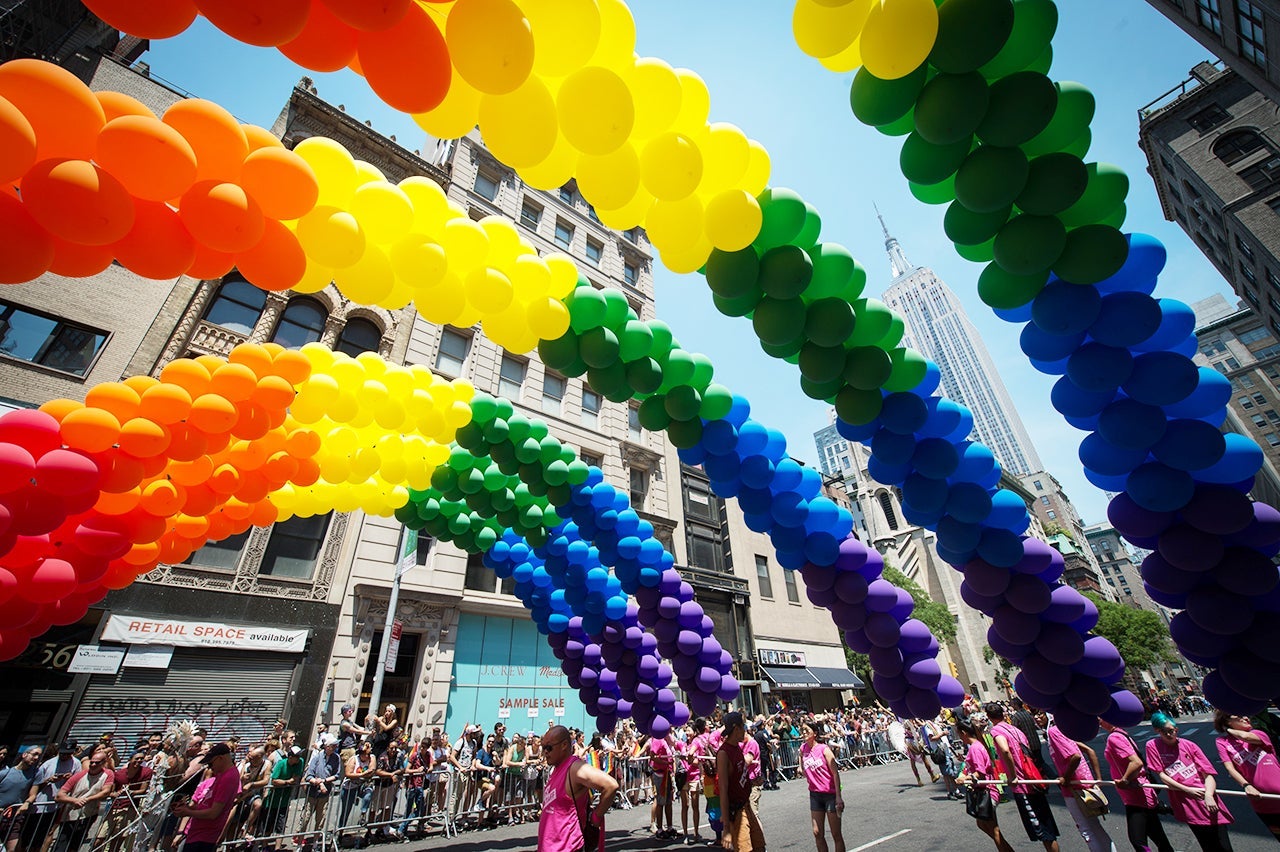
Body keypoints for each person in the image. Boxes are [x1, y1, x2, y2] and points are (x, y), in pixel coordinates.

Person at [1145, 711, 1233, 852]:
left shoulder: (1189, 745)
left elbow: (1208, 774)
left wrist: (1209, 795)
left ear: (1176, 729)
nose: (1169, 735)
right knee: (1207, 845)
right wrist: (1186, 789)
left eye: (1171, 731)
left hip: (1206, 798)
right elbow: (1162, 775)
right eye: (1164, 732)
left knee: (1224, 846)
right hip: (1186, 802)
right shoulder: (1152, 746)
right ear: (1157, 731)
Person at [987, 703, 1060, 852]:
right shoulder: (1014, 729)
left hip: (1023, 784)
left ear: (989, 717)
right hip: (1033, 778)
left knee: (1043, 831)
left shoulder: (996, 731)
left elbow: (1005, 750)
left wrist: (1013, 775)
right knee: (1046, 827)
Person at [1098, 717, 1175, 852]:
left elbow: (1136, 762)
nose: (1098, 720)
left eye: (1101, 717)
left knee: (1137, 840)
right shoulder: (1121, 733)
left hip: (1136, 795)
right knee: (1158, 837)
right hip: (1140, 793)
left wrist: (1125, 780)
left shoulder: (1114, 737)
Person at [537, 725, 618, 852]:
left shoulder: (574, 768)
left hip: (567, 847)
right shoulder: (557, 768)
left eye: (549, 747)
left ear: (564, 745)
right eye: (543, 748)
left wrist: (596, 818)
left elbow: (611, 785)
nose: (545, 752)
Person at [1045, 720, 1114, 852]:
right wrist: (1096, 779)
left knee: (1087, 830)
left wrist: (1066, 777)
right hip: (1085, 784)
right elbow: (1089, 751)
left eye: (1039, 713)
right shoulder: (1064, 730)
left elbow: (1075, 756)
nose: (1036, 718)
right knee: (1095, 827)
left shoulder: (1054, 731)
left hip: (1074, 789)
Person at [1214, 710, 1280, 842]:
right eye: (1239, 716)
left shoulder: (1257, 733)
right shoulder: (1222, 742)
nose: (1246, 718)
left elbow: (1246, 738)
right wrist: (1246, 785)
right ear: (1228, 721)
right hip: (1263, 803)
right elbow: (1230, 768)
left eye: (1246, 715)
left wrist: (1229, 729)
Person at [956, 720, 1015, 852]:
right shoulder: (976, 746)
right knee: (983, 824)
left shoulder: (975, 747)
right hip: (984, 791)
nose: (959, 737)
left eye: (959, 734)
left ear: (964, 733)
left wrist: (964, 778)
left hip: (987, 791)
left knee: (994, 830)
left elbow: (980, 773)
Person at [172, 743, 239, 852]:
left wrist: (188, 812)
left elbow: (214, 813)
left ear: (220, 758)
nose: (210, 768)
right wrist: (188, 808)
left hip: (205, 835)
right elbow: (207, 803)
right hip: (197, 832)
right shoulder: (221, 775)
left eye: (211, 764)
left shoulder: (229, 777)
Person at [717, 712, 764, 852]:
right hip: (736, 811)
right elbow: (723, 790)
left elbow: (740, 777)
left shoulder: (737, 747)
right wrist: (726, 828)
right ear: (736, 728)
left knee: (760, 846)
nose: (745, 730)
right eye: (743, 727)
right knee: (745, 849)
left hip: (746, 805)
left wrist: (754, 782)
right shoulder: (724, 754)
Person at [52, 749, 113, 852]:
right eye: (91, 762)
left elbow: (106, 791)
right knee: (61, 845)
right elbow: (59, 796)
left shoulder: (108, 774)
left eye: (97, 763)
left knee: (76, 845)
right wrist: (74, 800)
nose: (93, 765)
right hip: (71, 815)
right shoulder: (80, 775)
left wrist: (88, 799)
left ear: (103, 763)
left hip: (89, 814)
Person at [21, 740, 77, 852]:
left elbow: (77, 782)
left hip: (55, 807)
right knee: (25, 839)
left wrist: (70, 779)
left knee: (42, 838)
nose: (64, 756)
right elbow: (35, 786)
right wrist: (48, 780)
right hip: (37, 807)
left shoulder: (76, 763)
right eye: (62, 753)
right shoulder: (48, 764)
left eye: (67, 754)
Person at [800, 722, 844, 852]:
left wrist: (838, 797)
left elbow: (835, 774)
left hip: (830, 794)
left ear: (815, 733)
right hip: (815, 795)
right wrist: (800, 768)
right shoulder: (803, 749)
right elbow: (801, 762)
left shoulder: (824, 749)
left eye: (806, 730)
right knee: (817, 832)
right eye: (802, 730)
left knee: (836, 834)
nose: (803, 732)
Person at [98, 750, 152, 852]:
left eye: (141, 758)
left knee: (119, 838)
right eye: (136, 758)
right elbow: (111, 791)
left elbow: (143, 789)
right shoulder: (119, 774)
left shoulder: (146, 772)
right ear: (130, 760)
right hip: (115, 808)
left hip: (130, 808)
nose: (139, 760)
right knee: (100, 836)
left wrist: (133, 792)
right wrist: (114, 794)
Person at [2, 747, 44, 852]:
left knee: (13, 848)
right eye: (34, 754)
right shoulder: (5, 773)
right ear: (24, 755)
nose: (36, 758)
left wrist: (26, 803)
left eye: (39, 755)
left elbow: (33, 794)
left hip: (14, 817)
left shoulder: (36, 773)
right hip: (1, 813)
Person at [260, 746, 303, 847]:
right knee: (268, 825)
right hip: (272, 800)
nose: (298, 758)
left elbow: (296, 778)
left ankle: (277, 848)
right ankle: (265, 846)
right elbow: (274, 780)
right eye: (296, 756)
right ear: (290, 757)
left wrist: (291, 781)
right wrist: (287, 782)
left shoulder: (300, 762)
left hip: (284, 801)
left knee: (281, 826)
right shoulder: (281, 764)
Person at [301, 735, 341, 842]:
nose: (335, 747)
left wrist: (324, 781)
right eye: (333, 746)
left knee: (320, 819)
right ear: (327, 746)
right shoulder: (317, 757)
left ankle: (315, 842)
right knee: (306, 818)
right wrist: (317, 782)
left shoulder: (336, 758)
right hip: (312, 793)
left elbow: (336, 774)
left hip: (324, 794)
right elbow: (309, 776)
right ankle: (300, 841)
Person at [369, 739, 403, 838]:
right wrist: (391, 774)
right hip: (379, 785)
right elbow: (378, 771)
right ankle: (369, 830)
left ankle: (381, 829)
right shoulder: (382, 757)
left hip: (390, 785)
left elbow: (402, 769)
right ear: (388, 748)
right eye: (392, 748)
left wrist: (394, 773)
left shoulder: (398, 757)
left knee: (387, 808)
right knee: (374, 809)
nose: (394, 750)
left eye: (395, 748)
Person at [338, 741, 375, 832]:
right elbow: (348, 774)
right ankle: (340, 831)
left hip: (361, 785)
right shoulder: (354, 759)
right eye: (366, 754)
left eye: (369, 753)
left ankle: (363, 813)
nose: (368, 756)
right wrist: (363, 774)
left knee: (369, 793)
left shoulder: (371, 757)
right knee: (346, 811)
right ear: (361, 754)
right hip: (349, 787)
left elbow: (372, 770)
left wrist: (363, 774)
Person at [648, 728, 676, 840]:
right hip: (659, 774)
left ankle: (669, 828)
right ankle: (659, 830)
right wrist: (666, 762)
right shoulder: (657, 740)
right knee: (660, 801)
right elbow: (652, 756)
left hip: (667, 773)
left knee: (668, 801)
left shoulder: (666, 739)